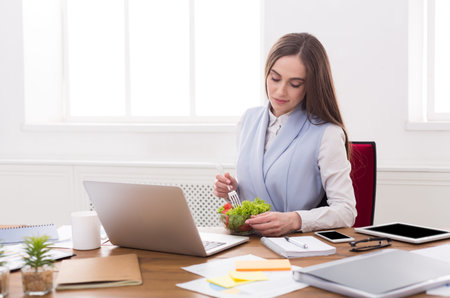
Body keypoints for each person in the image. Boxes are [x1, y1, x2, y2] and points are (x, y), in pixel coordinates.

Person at [214, 33, 357, 236]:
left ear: (310, 86)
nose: (280, 91)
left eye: (295, 84)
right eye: (275, 78)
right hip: (247, 243)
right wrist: (233, 190)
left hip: (296, 246)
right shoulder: (248, 119)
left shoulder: (327, 134)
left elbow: (346, 211)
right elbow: (262, 183)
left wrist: (295, 220)